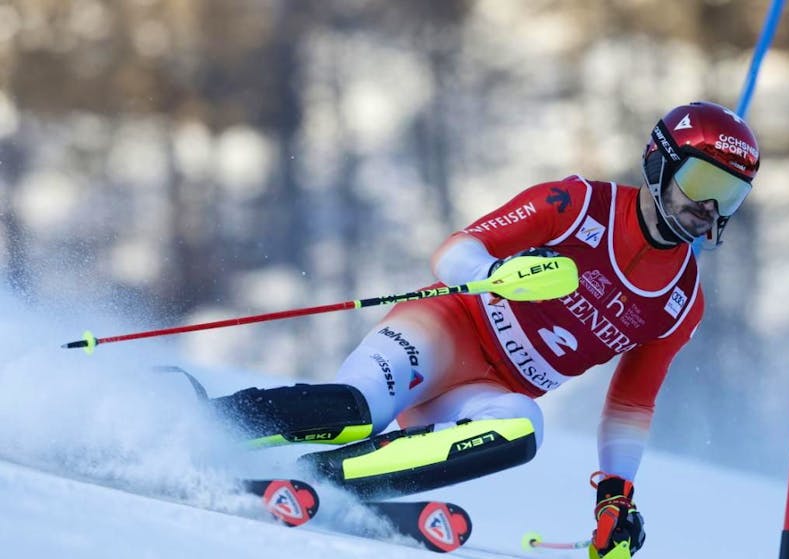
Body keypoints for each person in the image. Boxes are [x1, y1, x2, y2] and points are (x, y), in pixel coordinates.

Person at [211, 101, 761, 558]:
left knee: (524, 429)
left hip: (491, 392)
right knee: (359, 411)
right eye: (702, 182)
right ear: (661, 163)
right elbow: (453, 252)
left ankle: (324, 480)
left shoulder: (681, 299)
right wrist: (494, 275)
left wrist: (614, 497)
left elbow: (632, 405)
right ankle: (208, 424)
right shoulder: (575, 205)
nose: (709, 209)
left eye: (730, 195)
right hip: (442, 331)